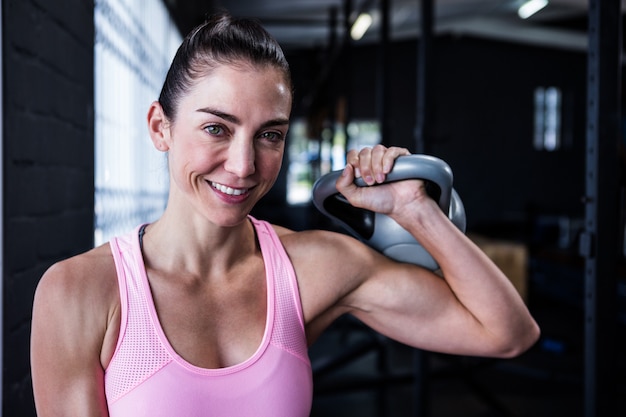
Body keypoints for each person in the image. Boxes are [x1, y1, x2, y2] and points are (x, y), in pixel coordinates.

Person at [30, 12, 540, 417]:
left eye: (269, 135)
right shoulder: (81, 292)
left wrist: (416, 211)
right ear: (160, 127)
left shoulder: (313, 268)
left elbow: (506, 332)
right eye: (216, 129)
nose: (244, 165)